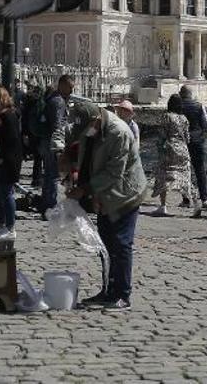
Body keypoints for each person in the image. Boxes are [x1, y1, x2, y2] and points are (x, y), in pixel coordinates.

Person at [66, 102, 147, 311]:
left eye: (85, 128)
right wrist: (75, 177)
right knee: (105, 243)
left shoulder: (118, 133)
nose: (83, 133)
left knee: (121, 243)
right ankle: (108, 290)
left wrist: (86, 190)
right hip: (104, 191)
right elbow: (86, 161)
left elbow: (114, 172)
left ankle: (122, 294)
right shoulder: (89, 131)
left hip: (126, 193)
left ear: (96, 119)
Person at [0, 86, 22, 240]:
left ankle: (10, 226)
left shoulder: (8, 116)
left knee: (6, 193)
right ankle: (1, 223)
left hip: (6, 160)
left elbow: (12, 140)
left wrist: (3, 156)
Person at [151, 94, 197, 218]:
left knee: (163, 175)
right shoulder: (184, 119)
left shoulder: (167, 117)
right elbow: (188, 137)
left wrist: (159, 148)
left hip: (170, 148)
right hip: (183, 149)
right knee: (185, 177)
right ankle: (195, 203)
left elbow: (162, 135)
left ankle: (163, 206)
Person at [39, 75, 73, 218]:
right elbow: (57, 126)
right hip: (52, 143)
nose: (72, 90)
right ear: (62, 85)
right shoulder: (58, 102)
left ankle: (45, 204)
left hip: (46, 141)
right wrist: (59, 148)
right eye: (70, 87)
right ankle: (50, 206)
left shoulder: (52, 98)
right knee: (53, 175)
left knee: (48, 173)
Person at [180, 85, 207, 210]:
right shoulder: (199, 106)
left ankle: (186, 199)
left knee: (184, 170)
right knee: (200, 170)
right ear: (191, 94)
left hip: (183, 141)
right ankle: (205, 199)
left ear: (181, 94)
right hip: (198, 140)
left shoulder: (178, 106)